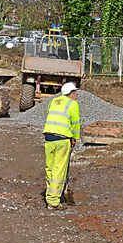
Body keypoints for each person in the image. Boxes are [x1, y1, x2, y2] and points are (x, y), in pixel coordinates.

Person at [43, 82, 81, 210]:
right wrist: (75, 138)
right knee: (59, 170)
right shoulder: (73, 104)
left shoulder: (54, 101)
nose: (77, 95)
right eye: (75, 92)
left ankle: (50, 194)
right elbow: (75, 123)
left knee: (50, 167)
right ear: (70, 93)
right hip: (62, 139)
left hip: (48, 137)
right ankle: (53, 201)